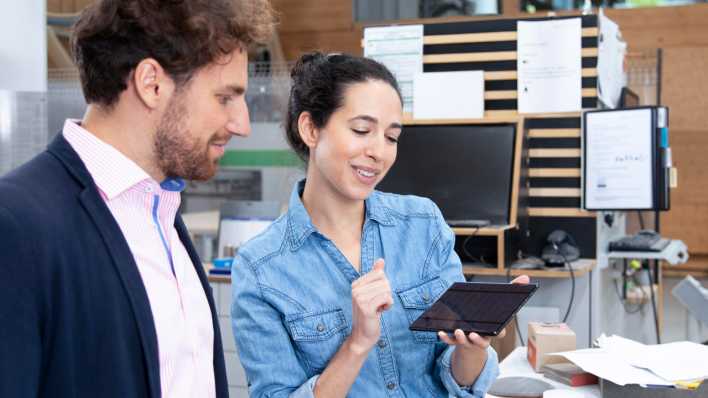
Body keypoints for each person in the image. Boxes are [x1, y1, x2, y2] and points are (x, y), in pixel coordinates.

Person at [0, 1, 275, 397]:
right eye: (225, 97)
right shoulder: (17, 226)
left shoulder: (160, 214)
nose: (242, 124)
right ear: (152, 84)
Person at [231, 52, 529, 398]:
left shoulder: (423, 224)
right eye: (361, 130)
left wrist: (473, 347)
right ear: (310, 129)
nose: (379, 152)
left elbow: (460, 378)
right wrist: (358, 343)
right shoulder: (260, 269)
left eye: (391, 137)